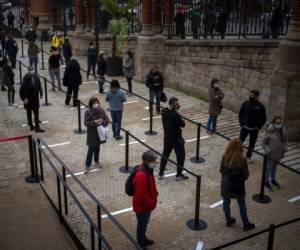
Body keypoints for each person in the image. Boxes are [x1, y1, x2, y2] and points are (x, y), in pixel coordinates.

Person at [220, 138, 255, 231]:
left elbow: (221, 170)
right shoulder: (242, 159)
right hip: (238, 185)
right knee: (242, 204)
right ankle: (246, 224)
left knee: (226, 202)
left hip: (226, 183)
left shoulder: (225, 156)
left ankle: (228, 220)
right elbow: (246, 175)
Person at [133, 150, 158, 248]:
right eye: (154, 161)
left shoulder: (147, 170)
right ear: (148, 161)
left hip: (146, 206)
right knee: (142, 225)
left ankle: (143, 239)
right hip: (143, 207)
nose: (155, 163)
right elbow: (141, 195)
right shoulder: (141, 175)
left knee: (144, 224)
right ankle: (140, 243)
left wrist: (155, 193)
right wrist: (151, 204)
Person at [159, 97, 188, 180]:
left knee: (165, 154)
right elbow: (183, 124)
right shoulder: (175, 114)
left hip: (167, 137)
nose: (178, 105)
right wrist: (178, 115)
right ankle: (179, 175)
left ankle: (161, 172)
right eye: (176, 104)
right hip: (176, 138)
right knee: (181, 156)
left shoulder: (164, 111)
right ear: (172, 104)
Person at [239, 90, 266, 163]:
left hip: (254, 129)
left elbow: (264, 118)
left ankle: (248, 156)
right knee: (240, 141)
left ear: (257, 96)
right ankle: (237, 155)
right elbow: (241, 113)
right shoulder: (246, 104)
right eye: (250, 95)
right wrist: (241, 124)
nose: (251, 96)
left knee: (252, 144)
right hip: (245, 127)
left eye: (252, 95)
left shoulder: (261, 106)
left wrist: (259, 126)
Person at [84, 97, 109, 174]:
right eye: (94, 103)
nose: (96, 104)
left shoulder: (101, 110)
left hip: (100, 134)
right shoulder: (88, 112)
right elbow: (86, 123)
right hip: (92, 134)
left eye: (97, 102)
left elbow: (107, 120)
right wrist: (95, 122)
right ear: (91, 104)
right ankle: (87, 166)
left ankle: (96, 161)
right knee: (90, 150)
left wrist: (102, 122)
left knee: (97, 148)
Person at [261, 116, 287, 190]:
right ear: (274, 123)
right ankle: (266, 181)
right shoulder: (268, 131)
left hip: (279, 153)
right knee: (268, 168)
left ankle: (273, 179)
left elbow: (285, 140)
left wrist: (285, 148)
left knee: (275, 167)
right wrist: (268, 150)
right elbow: (263, 143)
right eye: (277, 123)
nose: (279, 124)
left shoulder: (283, 130)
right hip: (271, 153)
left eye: (280, 123)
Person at [19, 67, 44, 133]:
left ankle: (31, 126)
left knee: (29, 113)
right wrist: (28, 99)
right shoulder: (33, 84)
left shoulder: (23, 84)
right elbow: (35, 93)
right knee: (36, 114)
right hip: (34, 102)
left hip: (27, 102)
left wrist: (24, 99)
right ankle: (37, 128)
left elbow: (20, 92)